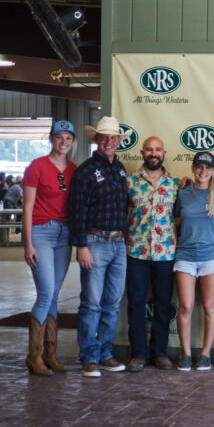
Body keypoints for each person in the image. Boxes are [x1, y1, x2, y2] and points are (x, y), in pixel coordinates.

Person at [68, 116, 131, 377]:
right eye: (104, 137)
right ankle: (89, 356)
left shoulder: (120, 169)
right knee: (91, 302)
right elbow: (76, 210)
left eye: (113, 138)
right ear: (96, 140)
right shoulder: (84, 171)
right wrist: (81, 245)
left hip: (118, 244)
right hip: (94, 241)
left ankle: (104, 353)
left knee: (112, 303)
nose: (108, 141)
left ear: (118, 141)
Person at [21, 120, 77, 375]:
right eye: (59, 137)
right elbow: (28, 208)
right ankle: (33, 356)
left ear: (72, 142)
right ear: (51, 139)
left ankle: (50, 353)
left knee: (54, 294)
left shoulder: (74, 169)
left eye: (68, 138)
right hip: (42, 232)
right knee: (45, 293)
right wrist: (28, 243)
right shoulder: (37, 167)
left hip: (64, 234)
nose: (63, 142)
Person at [124, 137, 179, 372]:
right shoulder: (129, 183)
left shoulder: (176, 184)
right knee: (136, 303)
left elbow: (180, 215)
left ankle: (159, 352)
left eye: (158, 149)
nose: (153, 153)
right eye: (149, 149)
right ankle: (138, 353)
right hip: (136, 252)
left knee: (163, 305)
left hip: (165, 254)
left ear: (164, 152)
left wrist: (168, 229)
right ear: (142, 152)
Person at [173, 151, 214, 372]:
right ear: (193, 169)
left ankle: (205, 354)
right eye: (199, 167)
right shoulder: (182, 192)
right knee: (185, 306)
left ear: (212, 171)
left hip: (212, 257)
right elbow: (173, 221)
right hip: (185, 255)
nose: (203, 171)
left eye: (207, 168)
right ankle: (185, 353)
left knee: (210, 307)